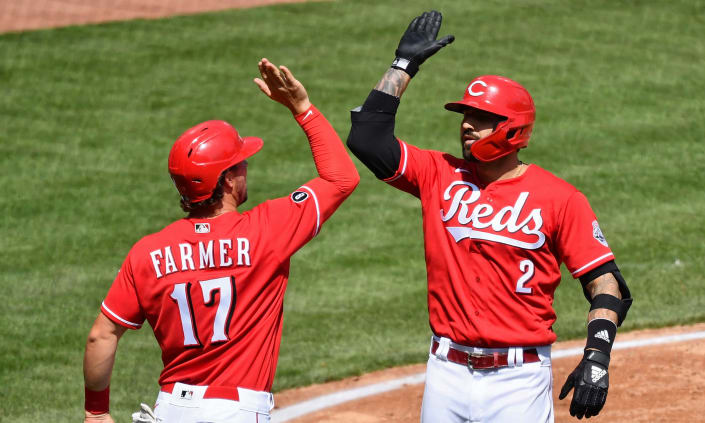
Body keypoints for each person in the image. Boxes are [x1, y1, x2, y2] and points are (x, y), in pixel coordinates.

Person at [347, 10, 633, 422]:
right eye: (466, 117)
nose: (467, 126)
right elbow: (367, 138)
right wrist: (403, 66)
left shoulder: (559, 198)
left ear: (513, 129)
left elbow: (607, 284)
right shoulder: (438, 174)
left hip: (518, 382)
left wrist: (597, 357)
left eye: (482, 119)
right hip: (445, 373)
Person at [82, 58, 359, 423]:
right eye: (240, 163)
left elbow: (101, 336)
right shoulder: (267, 230)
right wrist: (302, 108)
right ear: (226, 181)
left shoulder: (147, 253)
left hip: (169, 409)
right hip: (236, 412)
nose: (246, 167)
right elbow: (342, 178)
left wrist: (96, 413)